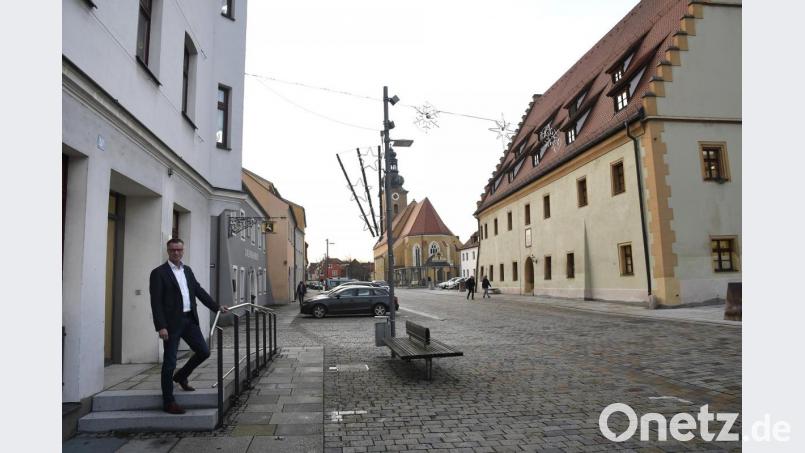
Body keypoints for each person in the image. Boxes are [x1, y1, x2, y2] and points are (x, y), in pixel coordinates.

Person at [150, 238, 228, 415]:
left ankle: (181, 376)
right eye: (172, 250)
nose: (176, 253)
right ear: (168, 251)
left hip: (189, 320)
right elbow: (156, 303)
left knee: (204, 351)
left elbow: (198, 291)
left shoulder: (188, 271)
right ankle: (168, 402)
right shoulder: (159, 273)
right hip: (171, 324)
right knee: (169, 362)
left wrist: (216, 307)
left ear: (183, 251)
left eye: (179, 250)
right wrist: (161, 326)